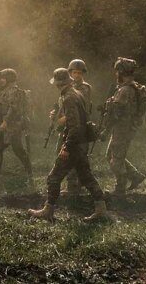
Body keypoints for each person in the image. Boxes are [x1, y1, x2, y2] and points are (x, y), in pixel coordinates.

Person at [29, 68, 108, 222]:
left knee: (53, 177)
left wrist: (66, 147)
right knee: (86, 177)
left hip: (73, 144)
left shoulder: (69, 98)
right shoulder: (75, 93)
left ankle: (48, 210)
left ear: (58, 83)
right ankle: (101, 209)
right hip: (80, 143)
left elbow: (74, 126)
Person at [48, 59, 92, 195]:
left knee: (69, 155)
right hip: (67, 127)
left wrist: (62, 119)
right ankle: (77, 185)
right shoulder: (68, 88)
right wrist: (55, 113)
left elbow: (78, 112)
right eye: (74, 72)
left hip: (75, 127)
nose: (77, 75)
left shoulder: (84, 88)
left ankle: (73, 186)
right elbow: (63, 106)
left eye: (79, 73)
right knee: (69, 156)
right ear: (70, 73)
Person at [104, 57, 146, 195]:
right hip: (128, 127)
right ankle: (135, 176)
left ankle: (120, 188)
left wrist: (106, 129)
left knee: (115, 159)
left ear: (121, 72)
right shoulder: (134, 87)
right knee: (111, 154)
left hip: (122, 129)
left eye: (117, 71)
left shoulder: (124, 91)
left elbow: (116, 113)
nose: (116, 74)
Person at [0, 68, 33, 189]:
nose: (1, 80)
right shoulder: (4, 91)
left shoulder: (14, 91)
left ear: (9, 79)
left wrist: (5, 121)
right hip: (4, 126)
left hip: (12, 126)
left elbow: (13, 108)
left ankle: (29, 171)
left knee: (18, 149)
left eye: (3, 78)